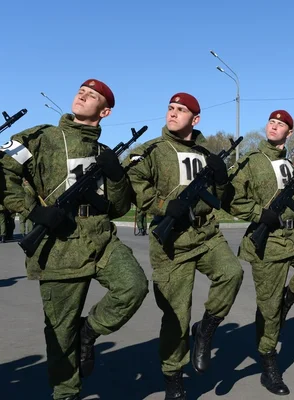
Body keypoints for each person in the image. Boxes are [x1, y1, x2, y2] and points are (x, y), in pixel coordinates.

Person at [0, 79, 148, 400]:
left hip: (100, 237)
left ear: (105, 111)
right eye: (82, 90)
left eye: (92, 95)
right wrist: (33, 212)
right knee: (60, 333)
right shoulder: (42, 137)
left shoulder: (104, 153)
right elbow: (3, 170)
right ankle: (66, 393)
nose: (83, 94)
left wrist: (117, 175)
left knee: (133, 286)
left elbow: (119, 207)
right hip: (59, 245)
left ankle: (90, 330)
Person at [126, 93, 244, 399]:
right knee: (176, 316)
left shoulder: (206, 153)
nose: (173, 113)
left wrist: (220, 177)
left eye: (181, 110)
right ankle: (173, 381)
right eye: (170, 108)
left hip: (206, 235)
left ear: (196, 119)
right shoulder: (151, 149)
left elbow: (220, 196)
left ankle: (206, 329)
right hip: (172, 241)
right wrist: (165, 205)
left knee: (232, 273)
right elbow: (135, 185)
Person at [225, 110, 294, 395]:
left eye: (281, 124)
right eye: (271, 122)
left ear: (290, 132)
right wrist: (259, 214)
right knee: (268, 309)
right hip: (268, 241)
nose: (274, 126)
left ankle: (290, 297)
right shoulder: (251, 160)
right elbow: (232, 199)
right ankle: (269, 361)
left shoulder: (289, 163)